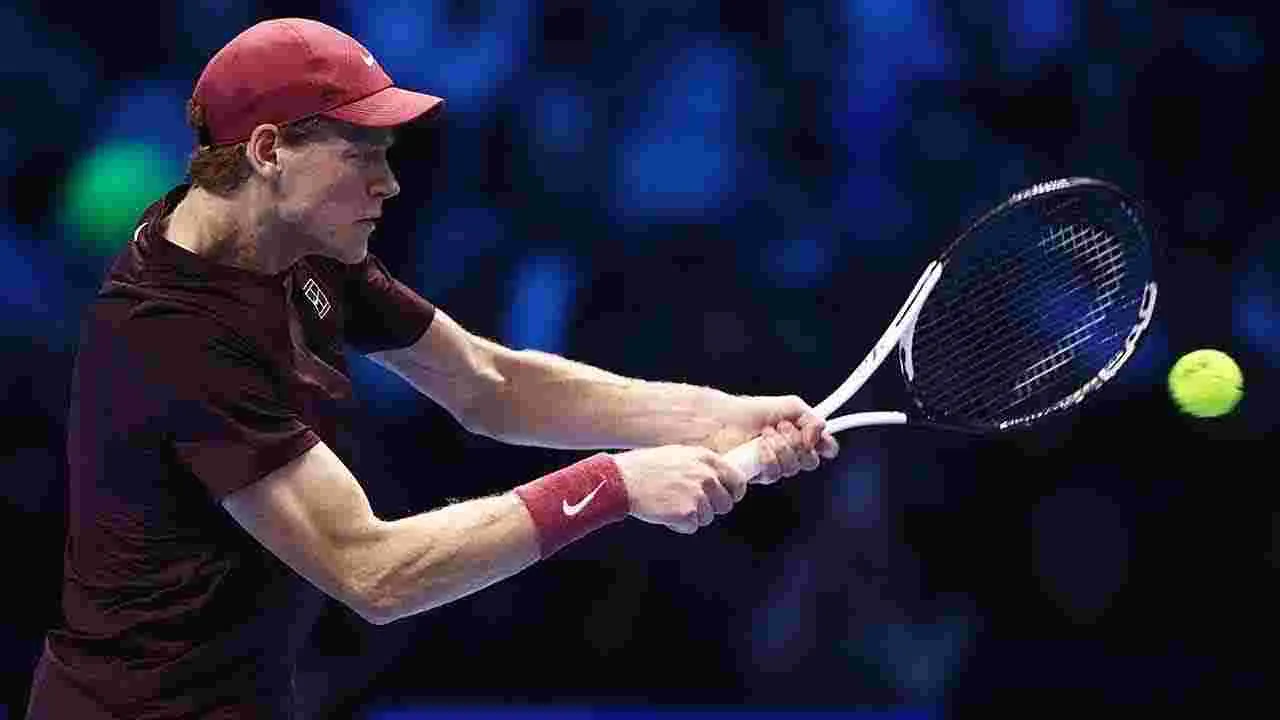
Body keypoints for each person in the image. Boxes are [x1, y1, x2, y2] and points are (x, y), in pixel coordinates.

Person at [25, 17, 839, 720]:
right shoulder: (176, 336)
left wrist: (717, 415)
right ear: (269, 150)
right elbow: (373, 572)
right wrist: (615, 485)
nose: (389, 183)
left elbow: (491, 385)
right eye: (361, 154)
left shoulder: (289, 236)